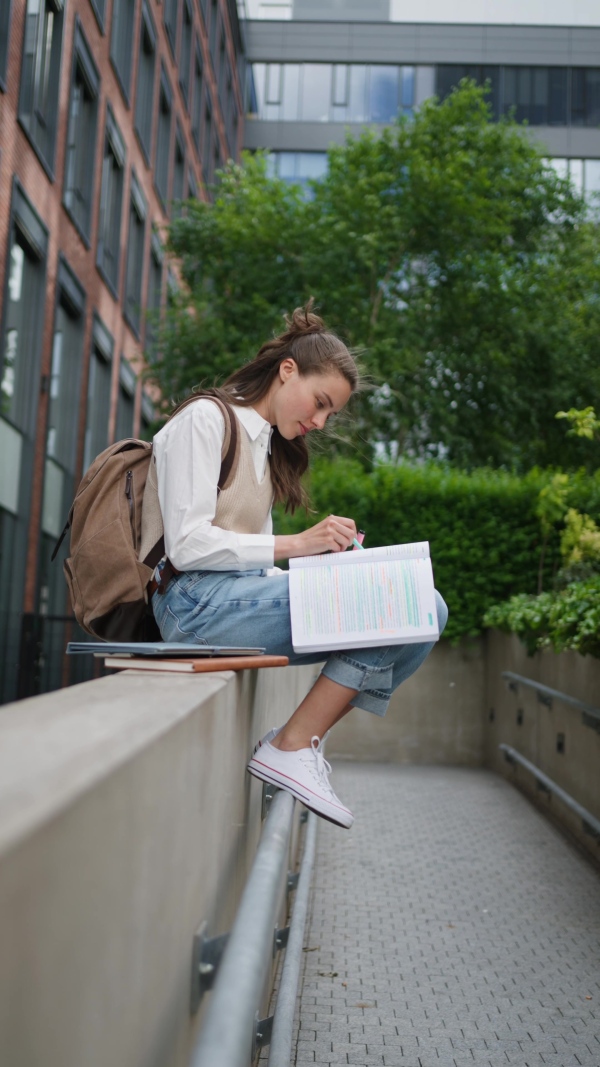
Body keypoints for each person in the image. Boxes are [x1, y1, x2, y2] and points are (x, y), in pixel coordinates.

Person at [148, 303, 448, 828]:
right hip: (191, 606)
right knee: (395, 602)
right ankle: (291, 748)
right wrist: (299, 545)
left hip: (229, 600)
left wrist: (332, 567)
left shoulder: (264, 449)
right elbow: (188, 545)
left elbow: (258, 571)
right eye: (321, 403)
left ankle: (298, 742)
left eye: (330, 414)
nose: (320, 421)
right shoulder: (203, 419)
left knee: (427, 608)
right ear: (288, 370)